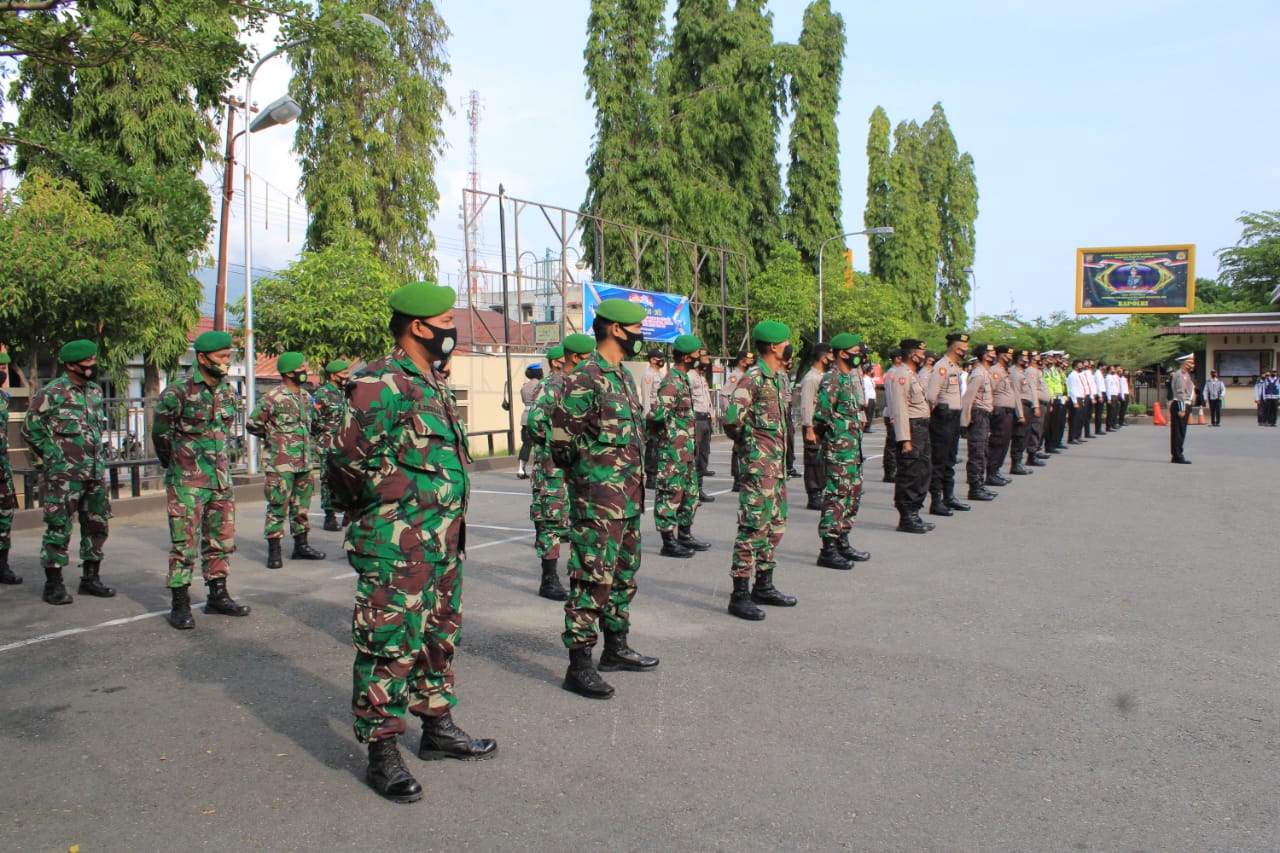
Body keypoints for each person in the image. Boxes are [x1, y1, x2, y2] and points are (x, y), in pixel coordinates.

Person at [328, 280, 496, 805]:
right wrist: (380, 513)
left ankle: (437, 727)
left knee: (438, 637)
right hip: (395, 545)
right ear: (419, 327)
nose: (453, 328)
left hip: (443, 542)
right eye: (446, 321)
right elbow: (345, 460)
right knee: (388, 645)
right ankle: (382, 751)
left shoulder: (433, 382)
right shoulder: (379, 381)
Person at [551, 298, 658, 700]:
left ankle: (616, 647)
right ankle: (579, 665)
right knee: (591, 580)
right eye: (636, 328)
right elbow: (561, 441)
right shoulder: (585, 377)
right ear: (616, 329)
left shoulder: (623, 376)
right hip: (598, 501)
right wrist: (587, 479)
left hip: (628, 499)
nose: (640, 335)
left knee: (623, 577)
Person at [151, 330, 250, 629]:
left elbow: (225, 432)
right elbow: (161, 435)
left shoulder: (227, 391)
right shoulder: (177, 392)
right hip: (187, 481)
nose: (226, 362)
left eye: (228, 356)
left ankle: (217, 595)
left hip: (220, 479)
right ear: (203, 358)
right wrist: (177, 465)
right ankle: (180, 604)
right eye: (221, 357)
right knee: (184, 544)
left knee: (221, 540)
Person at [21, 339, 114, 605]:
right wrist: (53, 456)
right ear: (71, 365)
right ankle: (53, 584)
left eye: (93, 360)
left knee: (97, 525)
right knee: (58, 527)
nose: (92, 365)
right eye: (88, 362)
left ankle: (91, 578)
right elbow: (30, 430)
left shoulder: (94, 391)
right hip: (64, 476)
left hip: (95, 473)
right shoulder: (52, 393)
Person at [722, 321, 797, 620]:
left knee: (774, 526)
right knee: (753, 528)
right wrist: (751, 447)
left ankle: (763, 585)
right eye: (786, 342)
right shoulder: (753, 378)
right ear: (774, 346)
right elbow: (731, 419)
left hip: (776, 467)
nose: (789, 346)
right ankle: (739, 594)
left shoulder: (780, 378)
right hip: (759, 467)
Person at [247, 352, 325, 569]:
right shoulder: (273, 398)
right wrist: (275, 439)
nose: (304, 371)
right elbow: (253, 424)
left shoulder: (304, 396)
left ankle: (301, 545)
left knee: (301, 506)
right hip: (280, 463)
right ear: (289, 372)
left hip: (304, 462)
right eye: (300, 368)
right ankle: (274, 551)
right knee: (277, 506)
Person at [650, 334, 711, 558]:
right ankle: (668, 541)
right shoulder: (672, 382)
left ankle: (684, 535)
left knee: (690, 494)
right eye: (696, 355)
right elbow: (658, 415)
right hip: (673, 452)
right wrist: (666, 439)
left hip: (686, 450)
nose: (699, 358)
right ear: (686, 358)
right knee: (670, 494)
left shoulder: (683, 379)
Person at [813, 332, 870, 569]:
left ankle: (842, 542)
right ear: (843, 353)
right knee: (836, 497)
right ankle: (828, 549)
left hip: (852, 451)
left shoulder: (848, 378)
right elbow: (821, 416)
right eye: (856, 352)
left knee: (852, 496)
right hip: (839, 451)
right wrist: (833, 440)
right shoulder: (833, 378)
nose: (860, 356)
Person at [525, 343, 573, 601]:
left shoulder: (578, 384)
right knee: (551, 519)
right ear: (557, 362)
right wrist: (555, 444)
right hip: (552, 464)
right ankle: (549, 579)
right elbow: (535, 422)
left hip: (576, 464)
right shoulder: (551, 385)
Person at [924, 332, 971, 517]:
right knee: (939, 460)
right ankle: (936, 501)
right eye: (964, 348)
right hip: (943, 417)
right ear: (956, 349)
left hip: (953, 417)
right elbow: (931, 395)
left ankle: (948, 496)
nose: (966, 351)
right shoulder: (942, 366)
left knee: (950, 459)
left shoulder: (954, 367)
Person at [890, 339, 934, 533]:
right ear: (913, 355)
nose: (924, 357)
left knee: (922, 471)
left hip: (921, 428)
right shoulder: (902, 375)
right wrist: (904, 438)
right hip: (912, 428)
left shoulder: (912, 374)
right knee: (910, 473)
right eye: (921, 354)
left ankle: (915, 513)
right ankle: (906, 517)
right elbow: (900, 408)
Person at [313, 359, 351, 532]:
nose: (346, 377)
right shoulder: (322, 394)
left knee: (349, 477)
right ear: (333, 375)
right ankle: (329, 516)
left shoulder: (346, 393)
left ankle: (349, 512)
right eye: (343, 374)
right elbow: (313, 421)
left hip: (347, 443)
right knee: (328, 480)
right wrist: (326, 432)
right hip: (328, 443)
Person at [959, 343, 997, 502]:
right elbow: (968, 399)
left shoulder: (985, 372)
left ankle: (980, 485)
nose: (994, 355)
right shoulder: (978, 374)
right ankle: (974, 488)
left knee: (983, 452)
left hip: (985, 415)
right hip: (978, 415)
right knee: (977, 452)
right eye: (991, 353)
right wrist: (964, 422)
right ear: (985, 355)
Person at [798, 343, 832, 511]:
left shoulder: (825, 376)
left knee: (823, 461)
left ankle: (821, 491)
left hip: (823, 425)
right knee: (813, 461)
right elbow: (806, 405)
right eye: (830, 356)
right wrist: (809, 428)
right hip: (813, 425)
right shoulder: (811, 378)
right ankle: (814, 495)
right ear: (823, 358)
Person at [986, 345, 1023, 482]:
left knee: (1004, 442)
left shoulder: (1004, 370)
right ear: (1001, 355)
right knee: (997, 441)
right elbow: (990, 390)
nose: (1010, 358)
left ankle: (996, 470)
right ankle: (991, 472)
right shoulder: (995, 370)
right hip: (1000, 411)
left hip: (1007, 411)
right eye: (1008, 355)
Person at [721, 350, 754, 492]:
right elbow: (724, 395)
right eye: (748, 360)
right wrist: (730, 414)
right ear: (742, 361)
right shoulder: (735, 376)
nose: (751, 362)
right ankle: (737, 479)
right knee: (737, 448)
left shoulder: (749, 375)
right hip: (738, 418)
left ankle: (744, 477)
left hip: (747, 418)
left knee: (746, 448)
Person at [0, 350, 18, 585]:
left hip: (2, 469)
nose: (2, 374)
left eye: (3, 369)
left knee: (4, 517)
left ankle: (2, 565)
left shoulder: (3, 399)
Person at [689, 349, 716, 502]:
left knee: (703, 457)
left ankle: (699, 490)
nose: (707, 361)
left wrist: (712, 413)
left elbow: (707, 398)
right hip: (696, 420)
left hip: (705, 419)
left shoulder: (701, 377)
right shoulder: (690, 376)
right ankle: (691, 492)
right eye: (705, 358)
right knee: (695, 456)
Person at [641, 349, 665, 490]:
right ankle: (651, 477)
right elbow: (646, 396)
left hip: (661, 414)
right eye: (658, 358)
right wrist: (647, 416)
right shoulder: (648, 375)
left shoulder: (661, 375)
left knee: (660, 445)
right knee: (651, 446)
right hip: (652, 415)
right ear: (652, 360)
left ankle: (658, 474)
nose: (661, 360)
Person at [516, 363, 543, 479]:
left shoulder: (524, 386)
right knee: (541, 444)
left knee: (526, 443)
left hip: (526, 416)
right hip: (538, 415)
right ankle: (540, 469)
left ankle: (521, 469)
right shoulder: (541, 385)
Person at [1169, 353, 1197, 463]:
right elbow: (1180, 392)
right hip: (1181, 405)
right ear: (1184, 363)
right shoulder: (1180, 375)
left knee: (1181, 431)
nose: (1192, 365)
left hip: (1185, 404)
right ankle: (1177, 456)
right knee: (1178, 432)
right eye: (1190, 363)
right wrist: (1182, 408)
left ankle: (1177, 454)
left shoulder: (1186, 375)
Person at [881, 349, 903, 483]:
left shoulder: (901, 372)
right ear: (896, 359)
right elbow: (890, 396)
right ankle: (890, 472)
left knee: (898, 443)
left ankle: (897, 470)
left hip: (899, 413)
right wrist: (893, 415)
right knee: (892, 444)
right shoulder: (891, 374)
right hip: (892, 413)